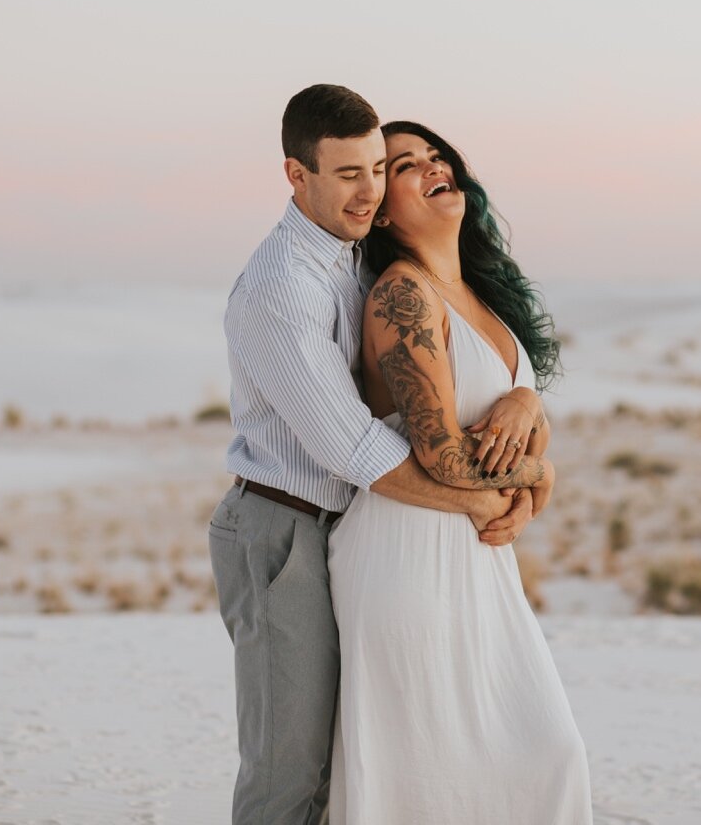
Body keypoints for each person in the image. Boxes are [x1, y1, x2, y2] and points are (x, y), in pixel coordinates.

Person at [210, 85, 552, 824]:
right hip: (283, 528)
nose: (368, 192)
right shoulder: (282, 286)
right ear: (297, 176)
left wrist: (529, 416)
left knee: (354, 760)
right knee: (289, 770)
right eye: (349, 174)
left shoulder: (354, 258)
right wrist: (495, 496)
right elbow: (356, 448)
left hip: (350, 527)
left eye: (376, 169)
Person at [327, 120, 593, 823]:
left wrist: (525, 395)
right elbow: (440, 452)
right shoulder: (401, 295)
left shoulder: (481, 292)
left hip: (475, 554)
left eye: (436, 155)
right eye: (405, 165)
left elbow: (497, 411)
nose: (431, 167)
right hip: (407, 555)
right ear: (382, 207)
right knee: (430, 778)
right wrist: (542, 478)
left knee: (541, 756)